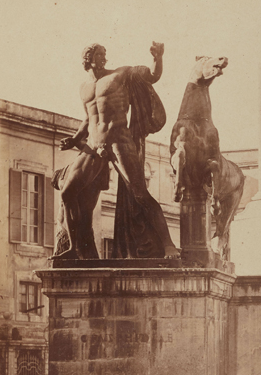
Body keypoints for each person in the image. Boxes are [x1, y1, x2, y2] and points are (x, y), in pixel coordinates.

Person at [59, 42, 175, 259]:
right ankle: (74, 249)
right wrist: (74, 140)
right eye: (99, 54)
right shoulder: (84, 88)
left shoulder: (120, 75)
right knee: (68, 192)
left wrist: (157, 58)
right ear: (88, 59)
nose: (104, 58)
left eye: (105, 54)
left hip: (119, 141)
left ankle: (168, 245)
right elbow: (89, 117)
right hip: (94, 145)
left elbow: (151, 76)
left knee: (139, 193)